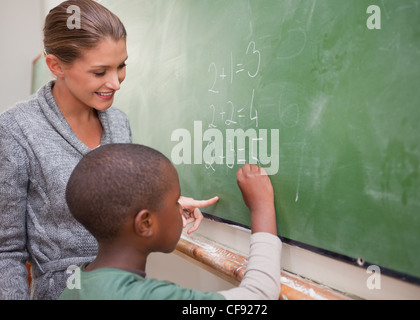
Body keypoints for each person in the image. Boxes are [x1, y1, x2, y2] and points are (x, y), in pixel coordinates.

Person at [0, 0, 216, 300]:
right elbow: (5, 251)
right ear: (56, 66)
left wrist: (165, 203)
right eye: (100, 72)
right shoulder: (15, 130)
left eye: (121, 66)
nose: (115, 83)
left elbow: (118, 203)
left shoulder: (118, 122)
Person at [59, 143, 281, 300]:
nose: (180, 207)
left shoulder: (76, 284)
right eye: (176, 201)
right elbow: (257, 298)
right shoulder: (147, 297)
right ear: (145, 223)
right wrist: (261, 208)